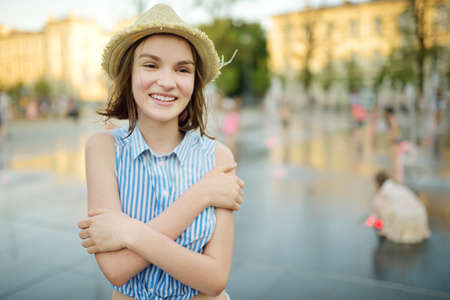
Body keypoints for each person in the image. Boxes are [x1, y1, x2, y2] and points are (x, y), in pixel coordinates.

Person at [77, 4, 244, 300]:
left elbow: (215, 278)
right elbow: (116, 269)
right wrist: (199, 196)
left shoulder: (218, 158)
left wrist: (127, 232)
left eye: (182, 69)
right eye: (151, 65)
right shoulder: (103, 149)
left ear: (194, 82)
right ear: (128, 73)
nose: (167, 82)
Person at [367, 171, 430, 244]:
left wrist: (373, 222)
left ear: (377, 183)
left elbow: (378, 215)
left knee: (376, 221)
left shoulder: (380, 195)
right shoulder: (401, 188)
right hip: (420, 217)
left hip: (403, 221)